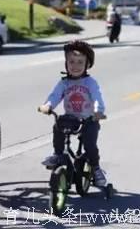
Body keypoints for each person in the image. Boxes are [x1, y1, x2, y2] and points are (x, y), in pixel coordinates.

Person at [38, 40, 108, 187]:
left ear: (87, 65)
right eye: (71, 62)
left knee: (90, 145)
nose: (75, 66)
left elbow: (97, 97)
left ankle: (95, 168)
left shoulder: (90, 82)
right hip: (72, 118)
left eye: (80, 62)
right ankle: (58, 154)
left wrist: (98, 111)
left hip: (89, 119)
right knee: (58, 126)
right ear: (66, 64)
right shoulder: (64, 83)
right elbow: (55, 95)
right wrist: (48, 106)